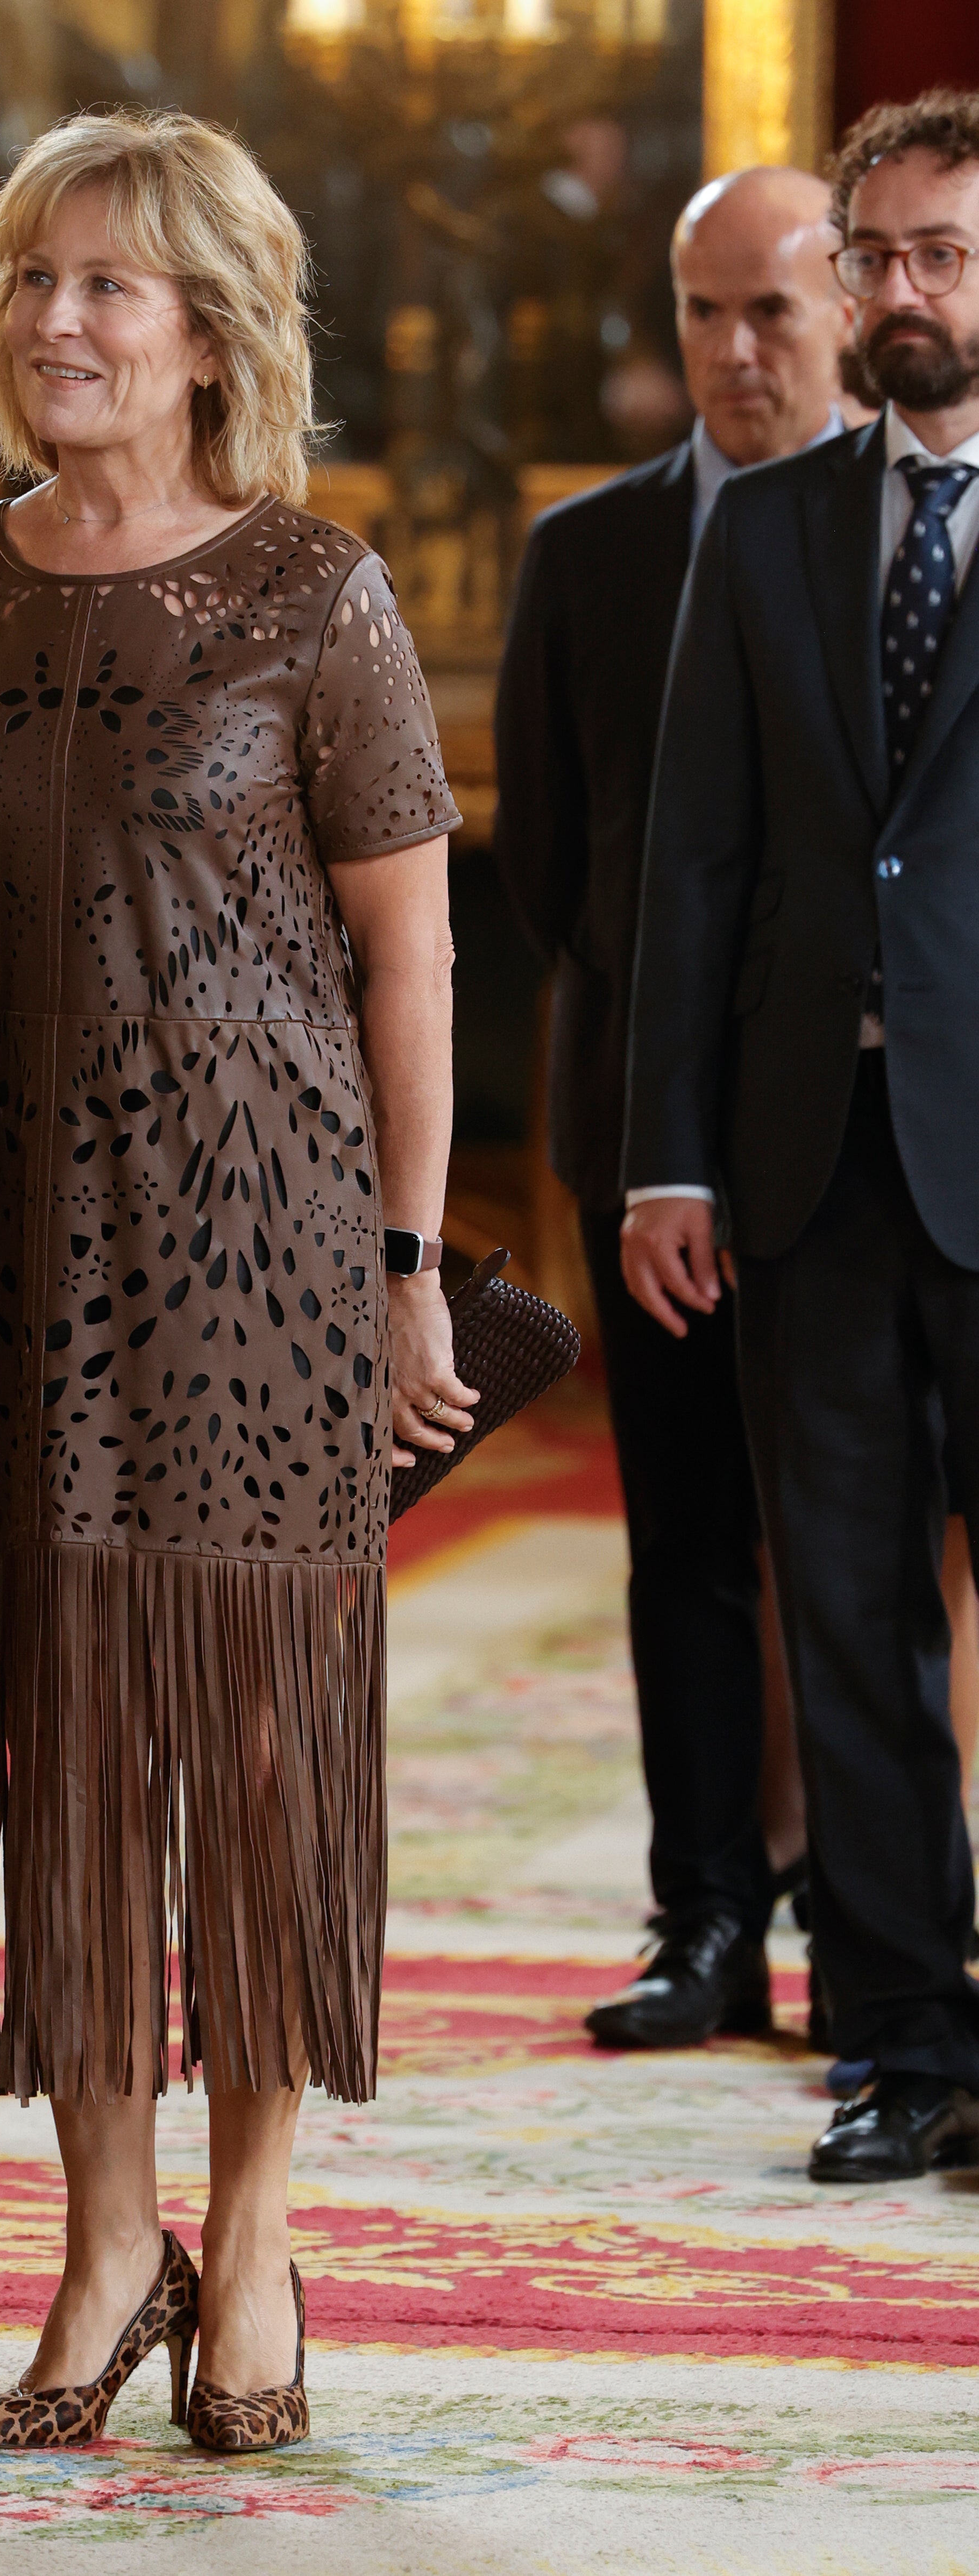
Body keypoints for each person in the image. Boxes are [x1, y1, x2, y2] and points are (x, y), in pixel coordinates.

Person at [0, 107, 468, 2453]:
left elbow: (410, 956)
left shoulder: (312, 595)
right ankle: (104, 2244)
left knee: (246, 1758)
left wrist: (400, 1264)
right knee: (66, 1759)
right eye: (30, 280)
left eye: (108, 285)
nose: (56, 321)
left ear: (208, 335)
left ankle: (255, 2235)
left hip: (256, 1255)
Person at [623, 88, 979, 2182]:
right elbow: (697, 862)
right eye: (881, 258)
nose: (906, 292)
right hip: (805, 1159)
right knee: (840, 1603)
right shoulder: (762, 529)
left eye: (943, 253)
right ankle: (903, 2041)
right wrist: (666, 1153)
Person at [494, 168, 854, 2051]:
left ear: (851, 305)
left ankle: (879, 1935)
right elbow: (554, 866)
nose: (729, 350)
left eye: (769, 311)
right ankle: (705, 1918)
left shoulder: (903, 533)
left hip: (867, 1138)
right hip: (649, 1134)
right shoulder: (591, 552)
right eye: (700, 311)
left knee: (868, 1541)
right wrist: (669, 1097)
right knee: (688, 1536)